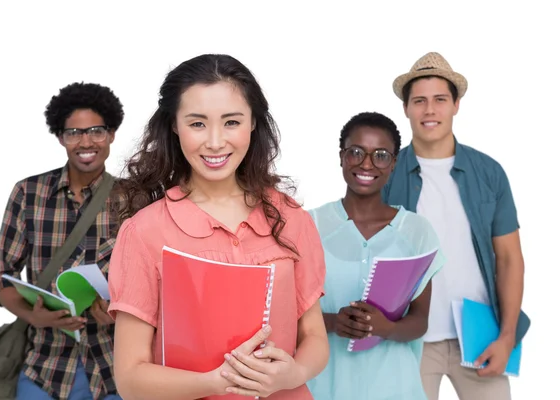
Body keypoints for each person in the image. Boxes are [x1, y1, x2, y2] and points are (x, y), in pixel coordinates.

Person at [107, 53, 330, 400]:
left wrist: (294, 373)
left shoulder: (291, 218)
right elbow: (131, 379)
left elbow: (315, 337)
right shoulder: (145, 232)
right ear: (173, 125)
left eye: (231, 122)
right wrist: (216, 381)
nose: (214, 142)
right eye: (197, 123)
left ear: (254, 122)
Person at [383, 52, 530, 400]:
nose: (429, 110)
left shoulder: (489, 173)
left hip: (481, 338)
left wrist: (507, 336)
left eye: (439, 100)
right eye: (419, 101)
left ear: (456, 105)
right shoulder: (385, 174)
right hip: (409, 342)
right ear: (406, 108)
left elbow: (510, 258)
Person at [0, 82, 125, 400]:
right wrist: (31, 315)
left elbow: (154, 283)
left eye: (96, 131)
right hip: (44, 370)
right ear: (61, 137)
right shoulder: (28, 193)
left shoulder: (134, 198)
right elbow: (0, 275)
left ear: (112, 133)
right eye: (74, 132)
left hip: (114, 371)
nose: (86, 141)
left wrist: (119, 310)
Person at [305, 112, 444, 400]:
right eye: (356, 152)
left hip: (396, 389)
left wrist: (386, 328)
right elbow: (283, 314)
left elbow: (419, 322)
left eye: (381, 155)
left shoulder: (417, 231)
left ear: (393, 164)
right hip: (323, 389)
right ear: (341, 157)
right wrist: (332, 322)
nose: (366, 164)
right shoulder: (307, 226)